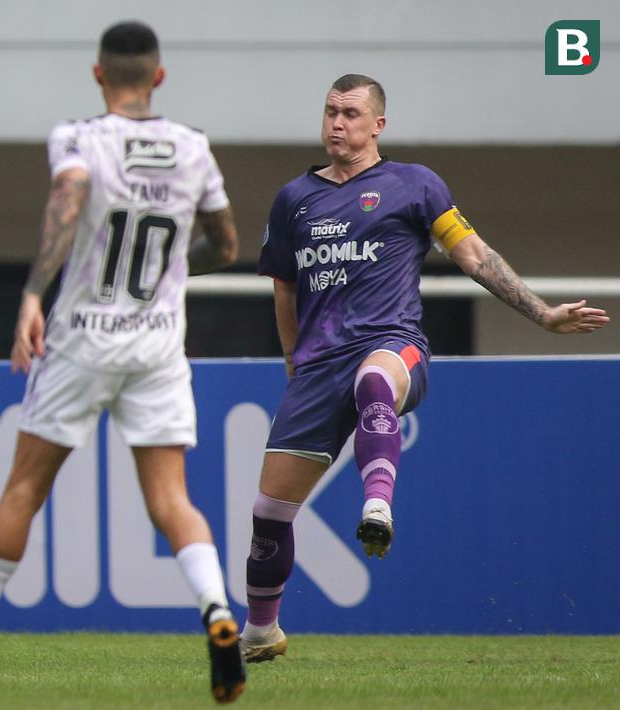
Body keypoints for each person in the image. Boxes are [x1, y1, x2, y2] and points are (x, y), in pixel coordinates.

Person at [0, 21, 246, 704]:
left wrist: (32, 294)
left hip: (82, 339)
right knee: (171, 499)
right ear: (158, 77)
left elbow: (67, 200)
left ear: (98, 74)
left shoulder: (79, 136)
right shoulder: (192, 147)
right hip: (157, 343)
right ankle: (217, 610)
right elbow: (226, 243)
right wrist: (171, 271)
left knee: (22, 490)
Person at [241, 74, 610, 662]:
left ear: (377, 125)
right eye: (331, 111)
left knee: (373, 381)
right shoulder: (294, 199)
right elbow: (284, 291)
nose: (337, 123)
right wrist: (293, 362)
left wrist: (542, 314)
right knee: (268, 514)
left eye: (351, 114)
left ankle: (378, 504)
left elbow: (472, 254)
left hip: (393, 344)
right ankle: (262, 632)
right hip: (315, 368)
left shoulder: (415, 185)